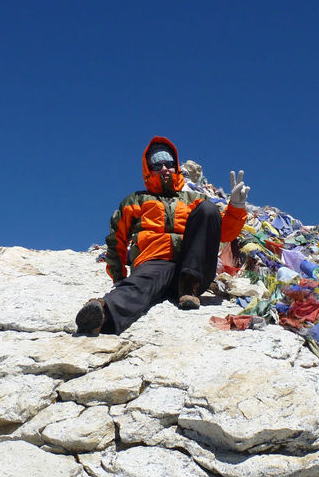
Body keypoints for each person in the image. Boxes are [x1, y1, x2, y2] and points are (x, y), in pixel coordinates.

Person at [75, 136, 250, 335]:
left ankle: (188, 290)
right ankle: (102, 315)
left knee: (208, 210)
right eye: (158, 164)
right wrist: (118, 276)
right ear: (148, 169)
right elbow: (117, 238)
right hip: (153, 263)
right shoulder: (137, 199)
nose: (165, 168)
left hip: (193, 268)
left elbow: (224, 234)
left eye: (169, 163)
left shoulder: (194, 199)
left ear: (176, 167)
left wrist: (236, 207)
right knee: (139, 285)